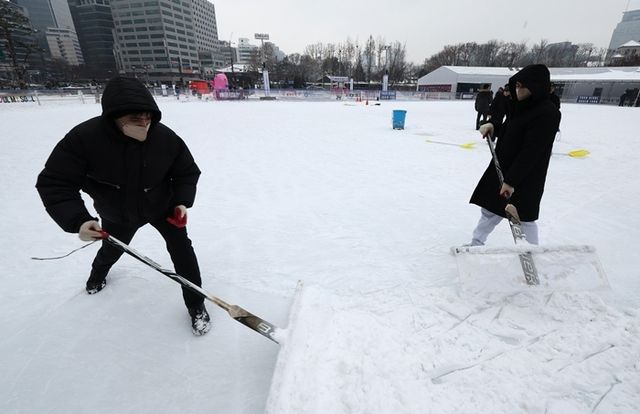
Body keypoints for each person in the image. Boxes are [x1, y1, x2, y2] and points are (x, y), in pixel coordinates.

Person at [35, 76, 211, 336]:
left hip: (162, 207)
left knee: (183, 251)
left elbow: (186, 172)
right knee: (112, 249)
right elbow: (55, 183)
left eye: (147, 117)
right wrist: (79, 220)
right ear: (113, 117)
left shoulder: (165, 138)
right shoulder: (84, 140)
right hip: (118, 212)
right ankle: (97, 276)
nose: (144, 124)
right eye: (135, 118)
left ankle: (196, 304)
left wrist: (181, 202)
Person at [465, 64, 561, 246]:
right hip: (502, 167)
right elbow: (511, 132)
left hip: (524, 175)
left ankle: (530, 251)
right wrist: (494, 127)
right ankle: (476, 242)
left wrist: (511, 181)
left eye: (523, 86)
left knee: (523, 217)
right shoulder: (519, 107)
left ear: (536, 86)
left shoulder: (548, 113)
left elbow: (532, 151)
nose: (518, 90)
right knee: (490, 210)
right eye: (516, 85)